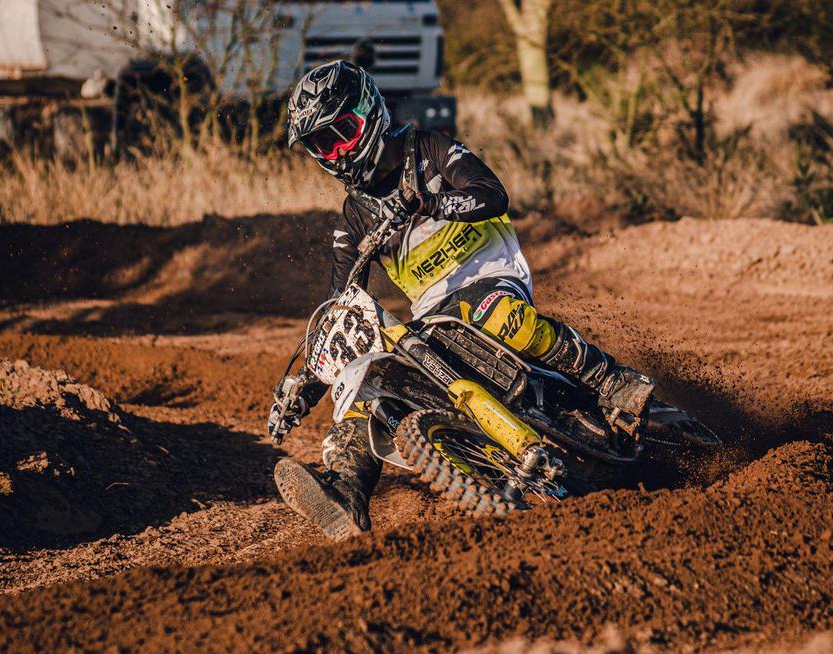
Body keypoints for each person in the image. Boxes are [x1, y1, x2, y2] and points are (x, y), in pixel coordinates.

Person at [269, 60, 656, 540]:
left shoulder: (427, 150)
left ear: (369, 114)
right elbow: (341, 303)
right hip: (434, 315)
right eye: (322, 145)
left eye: (342, 134)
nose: (337, 153)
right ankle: (346, 490)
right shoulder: (354, 217)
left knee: (492, 313)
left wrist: (431, 202)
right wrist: (306, 382)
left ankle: (608, 377)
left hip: (491, 277)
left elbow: (492, 194)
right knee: (364, 374)